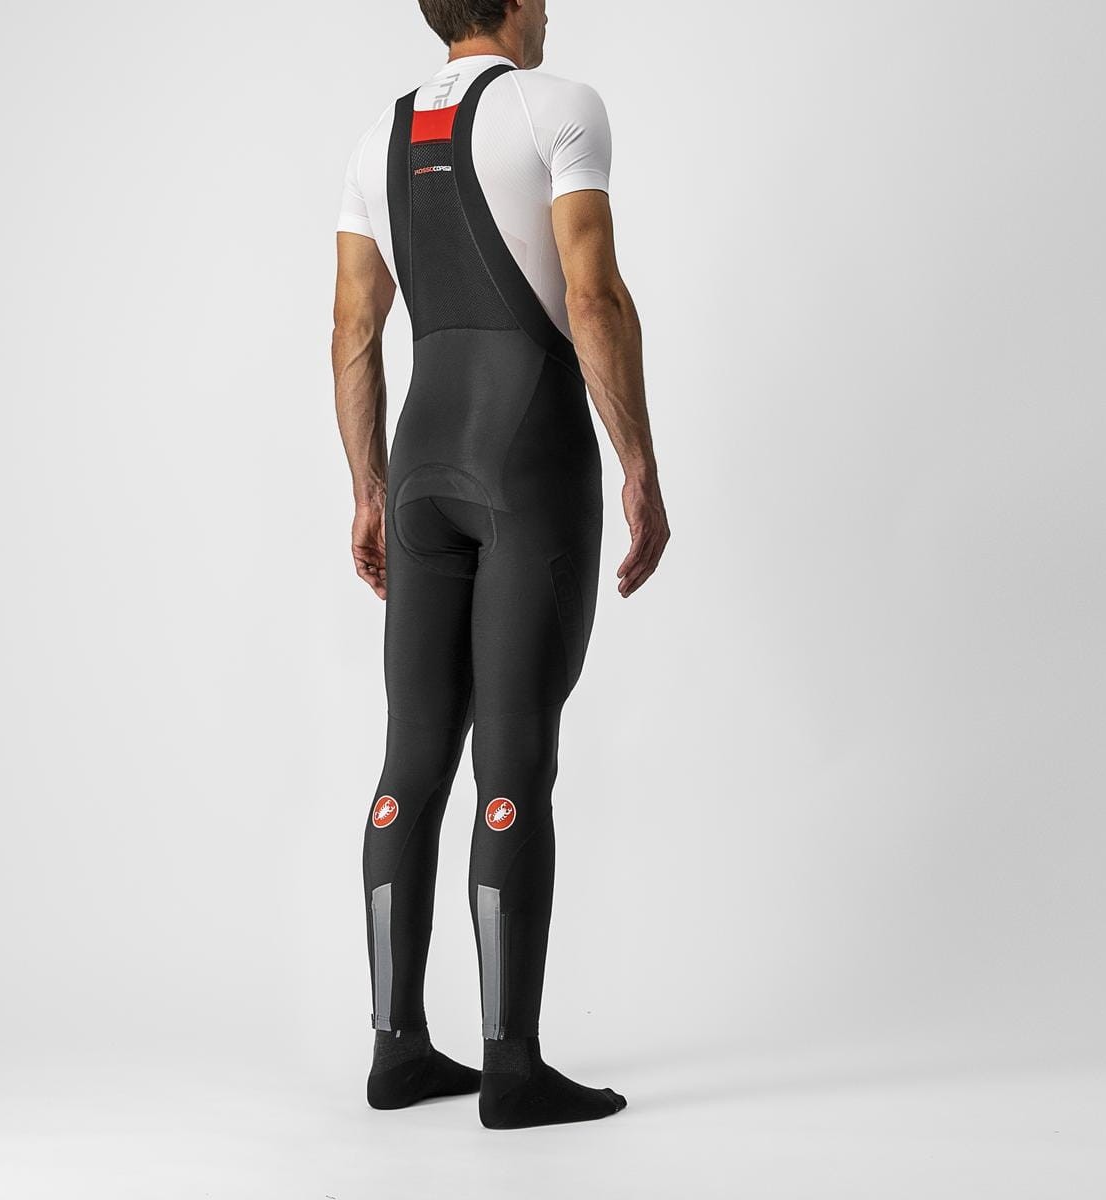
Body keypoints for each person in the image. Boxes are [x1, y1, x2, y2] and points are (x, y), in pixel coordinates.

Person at [332, 0, 668, 1130]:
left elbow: (351, 328)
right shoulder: (557, 108)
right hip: (527, 461)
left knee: (411, 759)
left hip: (421, 467)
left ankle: (396, 1051)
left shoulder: (377, 140)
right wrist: (639, 465)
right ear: (515, 0)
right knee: (514, 760)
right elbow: (593, 294)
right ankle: (512, 1069)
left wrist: (369, 488)